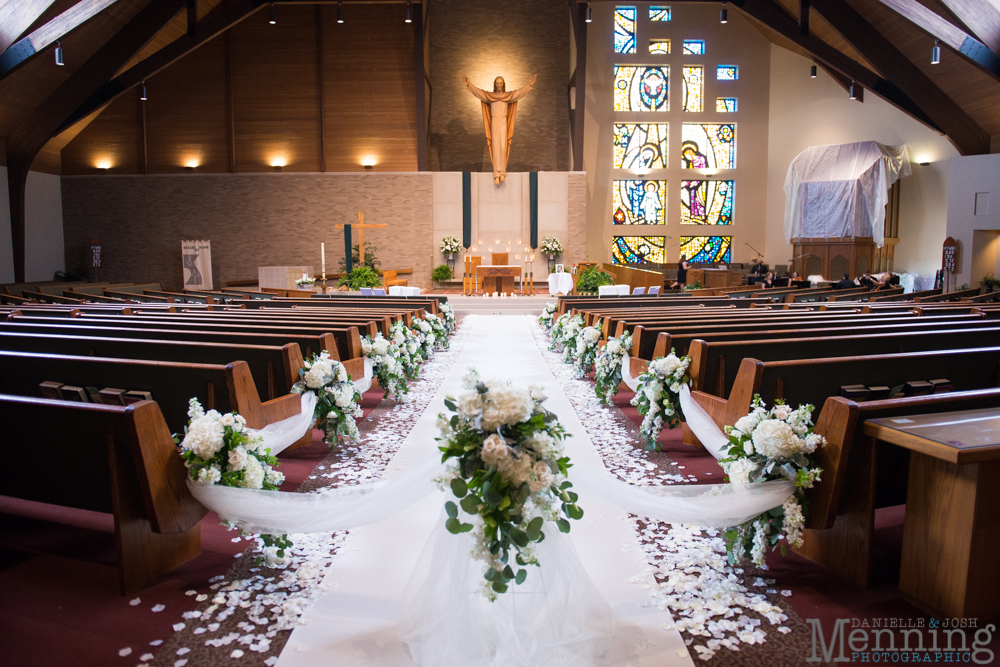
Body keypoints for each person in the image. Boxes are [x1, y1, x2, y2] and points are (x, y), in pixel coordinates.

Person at [463, 74, 537, 184]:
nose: (499, 85)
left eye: (500, 83)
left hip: (503, 121)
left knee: (503, 146)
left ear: (503, 85)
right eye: (497, 83)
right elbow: (480, 93)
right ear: (495, 85)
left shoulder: (507, 96)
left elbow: (518, 93)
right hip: (494, 121)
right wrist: (469, 84)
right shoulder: (490, 96)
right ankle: (496, 173)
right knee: (495, 146)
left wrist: (528, 85)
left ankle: (502, 171)